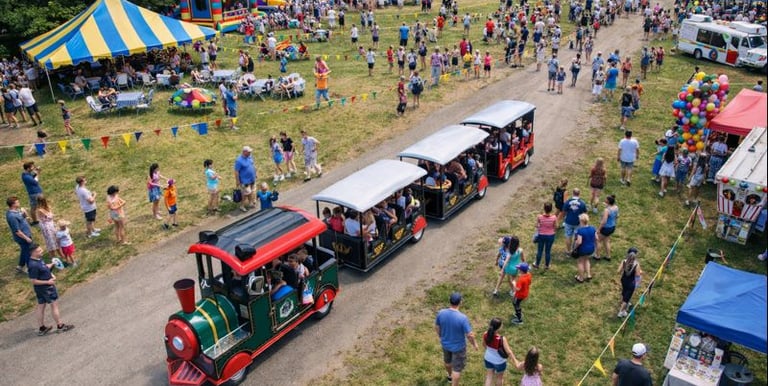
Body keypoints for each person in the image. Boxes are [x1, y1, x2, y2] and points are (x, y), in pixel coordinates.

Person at [27, 243, 74, 336]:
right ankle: (60, 326)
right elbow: (34, 281)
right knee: (54, 305)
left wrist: (52, 265)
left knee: (41, 306)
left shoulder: (38, 259)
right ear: (33, 253)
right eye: (39, 251)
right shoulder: (33, 265)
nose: (42, 251)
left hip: (41, 289)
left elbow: (43, 268)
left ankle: (42, 328)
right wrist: (48, 282)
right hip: (46, 288)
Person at [435, 292, 478, 386]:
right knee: (457, 369)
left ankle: (449, 376)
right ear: (460, 302)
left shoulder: (441, 313)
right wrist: (474, 344)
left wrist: (441, 336)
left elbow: (437, 327)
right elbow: (470, 335)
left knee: (447, 362)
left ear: (449, 301)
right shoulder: (462, 318)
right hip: (458, 348)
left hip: (445, 344)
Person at [482, 318, 517, 386]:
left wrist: (490, 351)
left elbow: (483, 345)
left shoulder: (485, 334)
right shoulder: (501, 339)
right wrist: (515, 361)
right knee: (499, 378)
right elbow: (509, 352)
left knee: (489, 377)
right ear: (499, 328)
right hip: (499, 362)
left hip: (488, 358)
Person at [6, 196, 33, 273]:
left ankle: (20, 266)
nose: (19, 203)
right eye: (17, 202)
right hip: (23, 237)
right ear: (13, 204)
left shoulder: (16, 211)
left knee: (24, 250)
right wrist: (26, 238)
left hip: (26, 234)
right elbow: (17, 231)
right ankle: (29, 268)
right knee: (28, 251)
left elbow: (23, 218)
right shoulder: (12, 216)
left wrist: (24, 214)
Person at [617, 247, 642, 318]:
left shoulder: (624, 261)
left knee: (624, 292)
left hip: (624, 280)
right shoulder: (636, 264)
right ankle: (621, 311)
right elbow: (637, 275)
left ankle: (624, 304)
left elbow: (618, 271)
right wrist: (640, 272)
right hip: (631, 282)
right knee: (627, 298)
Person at [572, 213, 597, 283]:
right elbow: (596, 238)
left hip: (583, 249)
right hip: (591, 248)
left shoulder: (580, 231)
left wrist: (574, 248)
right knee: (586, 260)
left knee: (580, 262)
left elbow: (579, 242)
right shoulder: (593, 228)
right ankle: (589, 275)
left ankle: (581, 278)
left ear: (581, 221)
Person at [35, 194, 60, 259]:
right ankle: (53, 257)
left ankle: (58, 253)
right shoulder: (40, 210)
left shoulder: (46, 207)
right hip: (46, 227)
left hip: (51, 225)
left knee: (55, 239)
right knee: (50, 241)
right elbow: (49, 215)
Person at [563, 188, 587, 255]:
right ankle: (575, 250)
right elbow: (585, 213)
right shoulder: (582, 203)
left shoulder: (568, 202)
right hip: (578, 223)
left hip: (568, 222)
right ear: (579, 194)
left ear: (573, 193)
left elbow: (564, 211)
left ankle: (568, 251)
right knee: (576, 237)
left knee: (568, 236)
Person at [595, 195, 619, 261]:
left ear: (608, 201)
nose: (604, 200)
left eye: (605, 199)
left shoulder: (606, 210)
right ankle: (608, 256)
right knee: (606, 241)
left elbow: (604, 221)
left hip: (606, 228)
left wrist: (598, 229)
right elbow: (617, 216)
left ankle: (597, 256)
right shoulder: (616, 207)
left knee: (598, 241)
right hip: (612, 227)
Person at [534, 202, 557, 269]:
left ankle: (537, 264)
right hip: (550, 235)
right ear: (551, 209)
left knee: (539, 250)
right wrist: (553, 231)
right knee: (548, 251)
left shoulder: (539, 217)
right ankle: (547, 265)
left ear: (544, 209)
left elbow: (536, 225)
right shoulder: (554, 217)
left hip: (541, 235)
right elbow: (556, 226)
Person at [234, 146, 257, 211]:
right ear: (244, 152)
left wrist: (255, 173)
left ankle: (250, 203)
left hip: (252, 179)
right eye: (249, 152)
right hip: (245, 181)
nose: (250, 153)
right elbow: (236, 171)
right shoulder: (239, 160)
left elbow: (253, 165)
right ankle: (242, 205)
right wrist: (237, 181)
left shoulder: (250, 157)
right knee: (245, 194)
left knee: (252, 192)